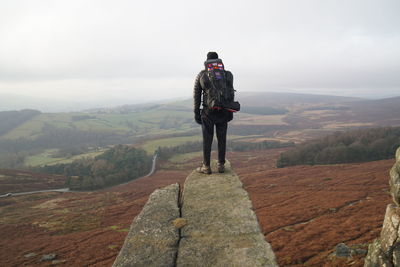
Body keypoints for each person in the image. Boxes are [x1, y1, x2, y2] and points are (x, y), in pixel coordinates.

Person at [193, 51, 234, 174]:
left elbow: (197, 95)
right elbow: (231, 93)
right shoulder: (228, 74)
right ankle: (221, 165)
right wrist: (229, 112)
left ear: (207, 61)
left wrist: (196, 112)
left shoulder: (202, 75)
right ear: (219, 60)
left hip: (208, 112)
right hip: (223, 111)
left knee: (207, 139)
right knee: (222, 139)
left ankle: (206, 167)